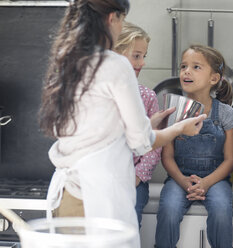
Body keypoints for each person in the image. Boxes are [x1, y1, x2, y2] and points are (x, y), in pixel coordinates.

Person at [39, 0, 206, 246]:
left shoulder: (68, 60)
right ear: (112, 18)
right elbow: (142, 142)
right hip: (96, 199)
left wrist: (149, 123)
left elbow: (99, 130)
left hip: (64, 196)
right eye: (122, 20)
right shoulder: (115, 65)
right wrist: (178, 128)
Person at [155, 44, 233, 248]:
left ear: (214, 78)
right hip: (179, 178)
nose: (186, 71)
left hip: (216, 179)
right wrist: (184, 182)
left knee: (221, 209)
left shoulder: (226, 113)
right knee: (168, 209)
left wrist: (207, 183)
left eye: (196, 67)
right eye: (184, 66)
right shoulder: (172, 110)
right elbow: (167, 157)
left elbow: (230, 159)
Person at [114, 22, 161, 227]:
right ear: (115, 54)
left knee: (129, 228)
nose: (141, 62)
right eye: (136, 56)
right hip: (105, 178)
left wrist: (137, 177)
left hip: (134, 180)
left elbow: (154, 146)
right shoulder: (100, 94)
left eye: (144, 56)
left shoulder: (148, 97)